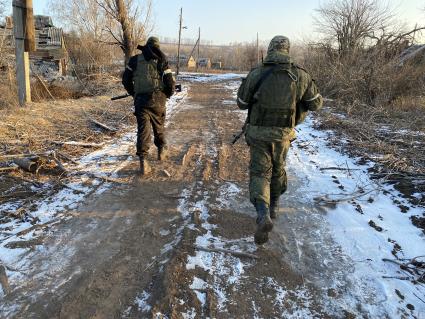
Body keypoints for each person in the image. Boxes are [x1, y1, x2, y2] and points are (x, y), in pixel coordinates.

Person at [236, 35, 323, 245]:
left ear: (270, 49)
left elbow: (241, 102)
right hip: (283, 135)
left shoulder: (257, 72)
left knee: (259, 172)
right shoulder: (300, 75)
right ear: (287, 50)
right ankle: (274, 205)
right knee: (278, 169)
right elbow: (316, 104)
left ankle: (262, 212)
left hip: (257, 133)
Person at [122, 36, 175, 175]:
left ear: (146, 46)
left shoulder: (134, 60)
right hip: (158, 100)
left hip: (141, 101)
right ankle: (162, 149)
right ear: (157, 47)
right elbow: (170, 84)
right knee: (158, 126)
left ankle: (144, 162)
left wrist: (134, 93)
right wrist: (166, 95)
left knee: (143, 130)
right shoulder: (162, 60)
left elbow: (125, 80)